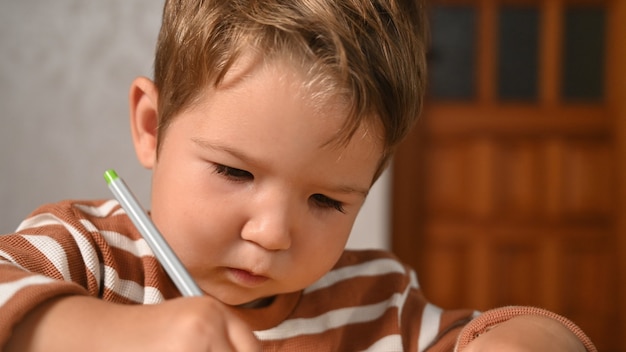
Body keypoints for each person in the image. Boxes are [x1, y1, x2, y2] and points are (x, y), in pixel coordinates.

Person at [0, 0, 596, 351]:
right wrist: (120, 338)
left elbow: (518, 330)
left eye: (327, 201)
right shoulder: (88, 252)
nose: (273, 233)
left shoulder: (377, 301)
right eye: (234, 171)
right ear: (152, 126)